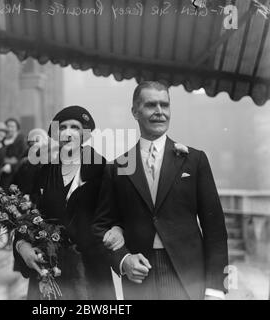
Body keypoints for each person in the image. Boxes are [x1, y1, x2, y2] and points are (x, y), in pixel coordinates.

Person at [93, 81, 229, 300]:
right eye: (151, 105)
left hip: (188, 278)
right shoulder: (118, 166)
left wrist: (216, 288)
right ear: (135, 112)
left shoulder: (194, 161)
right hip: (139, 280)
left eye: (164, 105)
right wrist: (123, 259)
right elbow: (101, 226)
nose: (159, 112)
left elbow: (215, 229)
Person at [12, 106, 121, 300]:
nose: (68, 133)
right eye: (63, 128)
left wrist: (117, 229)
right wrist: (22, 246)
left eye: (75, 127)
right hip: (48, 266)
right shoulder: (44, 171)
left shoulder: (101, 169)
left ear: (84, 134)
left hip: (89, 271)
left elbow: (114, 214)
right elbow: (29, 214)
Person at [0, 118, 26, 191]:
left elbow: (23, 158)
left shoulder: (21, 140)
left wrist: (12, 166)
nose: (10, 129)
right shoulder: (2, 140)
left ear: (17, 128)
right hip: (3, 174)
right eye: (8, 126)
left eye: (12, 126)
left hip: (18, 175)